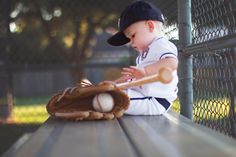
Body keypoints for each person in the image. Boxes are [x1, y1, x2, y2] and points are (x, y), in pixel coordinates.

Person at [106, 0, 178, 115]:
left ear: (150, 26)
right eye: (129, 39)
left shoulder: (160, 44)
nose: (131, 43)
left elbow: (172, 63)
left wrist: (145, 72)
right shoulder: (144, 54)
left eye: (133, 35)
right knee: (111, 92)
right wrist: (115, 83)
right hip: (145, 96)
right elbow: (135, 80)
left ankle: (89, 104)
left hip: (156, 100)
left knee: (113, 98)